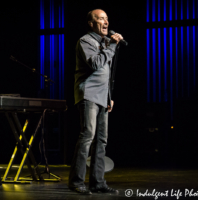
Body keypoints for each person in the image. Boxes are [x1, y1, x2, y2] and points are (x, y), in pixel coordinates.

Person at [68, 9, 123, 195]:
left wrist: (109, 97)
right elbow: (95, 64)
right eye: (101, 19)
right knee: (87, 136)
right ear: (91, 23)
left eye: (107, 18)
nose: (106, 22)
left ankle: (97, 182)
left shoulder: (106, 42)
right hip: (88, 94)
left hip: (102, 97)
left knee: (101, 140)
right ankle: (76, 181)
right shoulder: (85, 41)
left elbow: (107, 76)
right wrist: (113, 46)